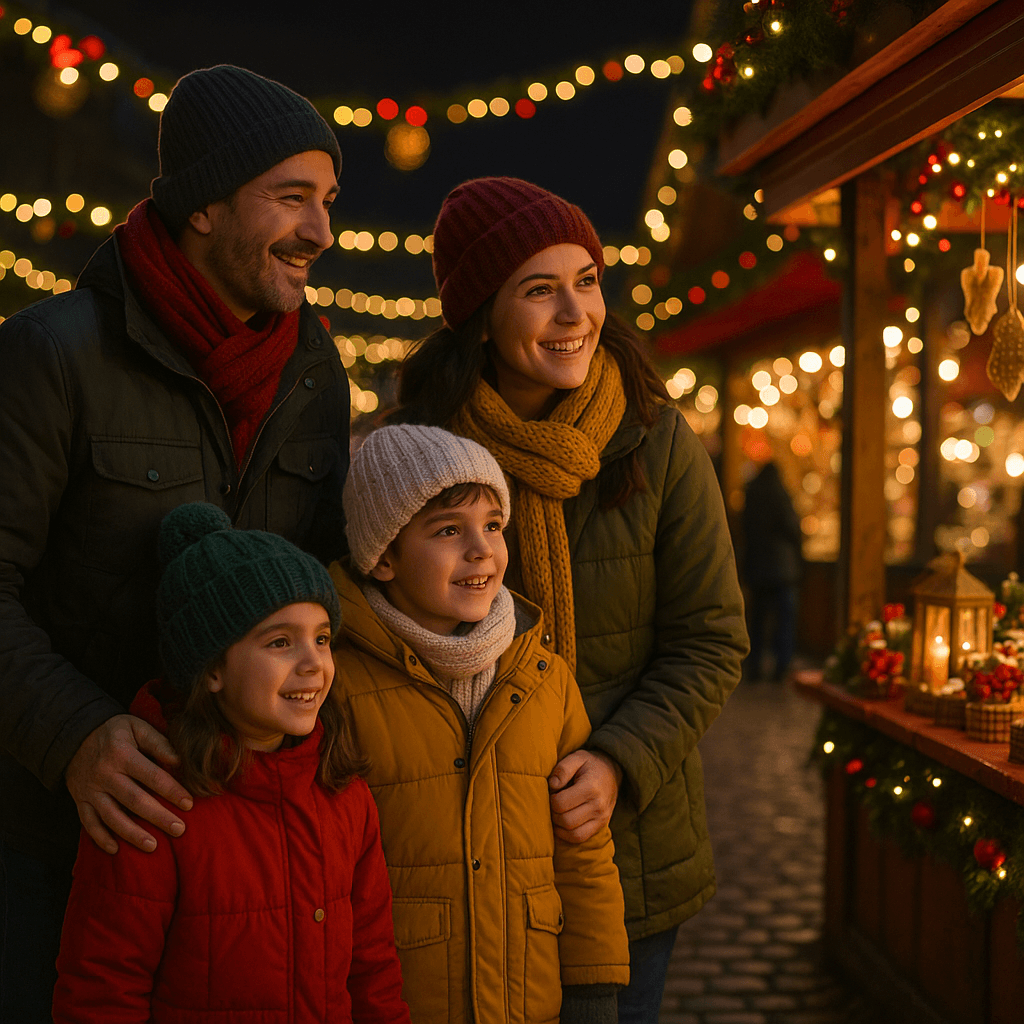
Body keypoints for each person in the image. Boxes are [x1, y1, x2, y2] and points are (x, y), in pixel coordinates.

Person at [0, 64, 349, 1019]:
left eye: (328, 200)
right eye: (291, 199)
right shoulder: (52, 353)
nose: (322, 231)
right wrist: (74, 736)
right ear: (203, 205)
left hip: (243, 858)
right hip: (61, 841)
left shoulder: (313, 369)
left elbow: (325, 586)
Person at [394, 177, 748, 1023]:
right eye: (539, 289)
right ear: (480, 313)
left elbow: (711, 639)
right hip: (462, 846)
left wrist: (618, 760)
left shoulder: (655, 440)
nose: (574, 314)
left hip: (621, 844)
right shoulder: (422, 451)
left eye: (586, 281)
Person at [53, 503, 410, 1023]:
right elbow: (102, 989)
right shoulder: (152, 803)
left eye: (322, 638)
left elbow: (374, 970)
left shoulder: (344, 795)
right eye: (281, 642)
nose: (313, 663)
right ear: (212, 668)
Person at [330, 424, 630, 1024]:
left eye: (493, 525)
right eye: (448, 530)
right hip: (399, 1001)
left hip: (528, 997)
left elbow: (584, 849)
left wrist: (594, 988)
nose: (482, 550)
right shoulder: (338, 685)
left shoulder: (543, 675)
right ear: (382, 556)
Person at [741, 460, 802, 681]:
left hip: (758, 569)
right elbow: (792, 528)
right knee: (783, 621)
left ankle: (754, 665)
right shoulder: (780, 495)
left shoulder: (752, 495)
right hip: (782, 570)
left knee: (757, 621)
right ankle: (781, 666)